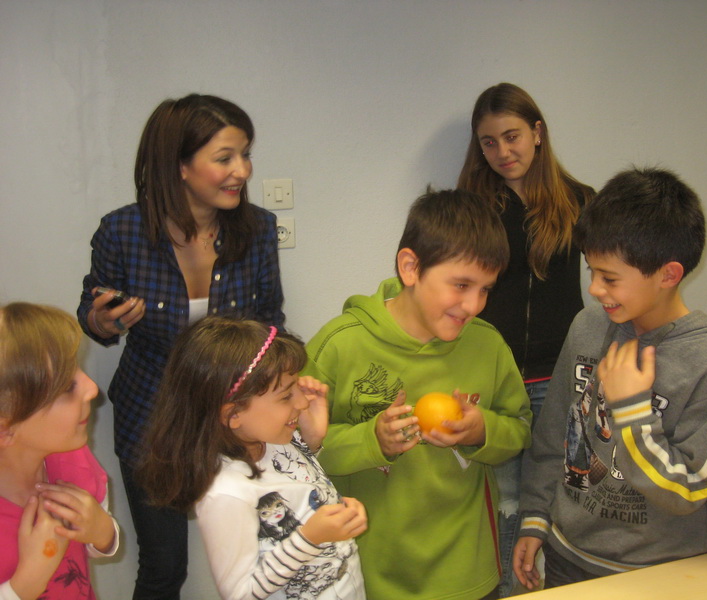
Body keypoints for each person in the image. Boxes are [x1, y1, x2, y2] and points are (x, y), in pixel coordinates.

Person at [76, 94, 285, 599]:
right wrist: (102, 319)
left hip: (233, 414)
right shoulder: (123, 231)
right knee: (165, 567)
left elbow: (270, 321)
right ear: (180, 166)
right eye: (225, 157)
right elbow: (92, 315)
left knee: (265, 552)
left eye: (245, 155)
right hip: (151, 417)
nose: (242, 170)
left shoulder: (256, 229)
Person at [302, 188, 533, 600]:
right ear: (410, 267)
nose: (473, 305)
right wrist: (371, 440)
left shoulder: (487, 344)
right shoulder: (340, 345)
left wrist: (482, 430)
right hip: (371, 572)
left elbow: (519, 429)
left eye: (485, 289)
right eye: (461, 284)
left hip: (467, 571)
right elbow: (296, 452)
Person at [513, 167, 707, 589]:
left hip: (659, 570)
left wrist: (632, 411)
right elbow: (554, 434)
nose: (595, 289)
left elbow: (688, 490)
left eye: (610, 278)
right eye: (591, 271)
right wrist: (535, 516)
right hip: (567, 555)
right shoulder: (587, 327)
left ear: (668, 275)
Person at [457, 82, 594, 596]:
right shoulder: (472, 208)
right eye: (488, 142)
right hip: (498, 383)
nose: (502, 152)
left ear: (538, 132)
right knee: (509, 504)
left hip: (564, 380)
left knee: (566, 496)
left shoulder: (582, 202)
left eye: (511, 136)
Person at [137, 317, 367, 600]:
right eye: (286, 396)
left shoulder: (273, 438)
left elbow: (296, 482)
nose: (303, 401)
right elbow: (240, 593)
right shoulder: (226, 493)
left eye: (297, 386)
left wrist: (312, 441)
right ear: (233, 415)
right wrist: (310, 538)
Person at [0, 303, 118, 600]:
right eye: (66, 387)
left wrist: (102, 531)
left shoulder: (73, 459)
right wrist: (26, 583)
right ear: (5, 430)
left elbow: (95, 541)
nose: (92, 388)